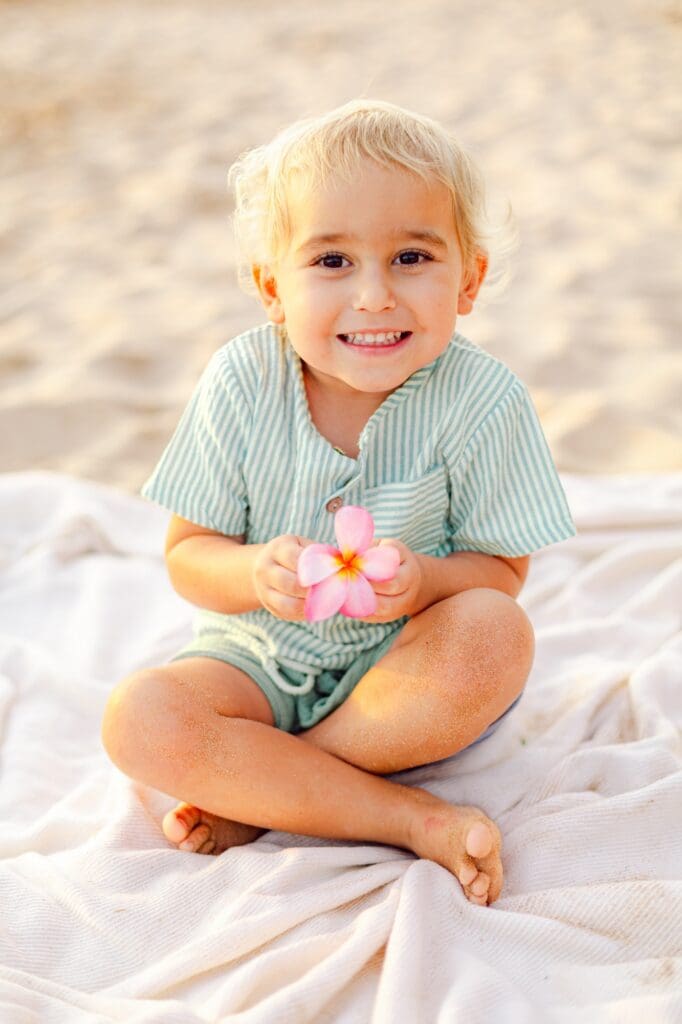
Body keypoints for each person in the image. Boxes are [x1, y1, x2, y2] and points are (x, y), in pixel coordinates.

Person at [101, 99, 576, 906]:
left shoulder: (483, 398)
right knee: (138, 717)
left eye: (412, 257)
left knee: (497, 635)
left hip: (404, 672)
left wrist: (425, 582)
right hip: (255, 664)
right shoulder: (242, 381)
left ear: (469, 279)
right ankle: (403, 816)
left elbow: (501, 572)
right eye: (330, 263)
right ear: (271, 288)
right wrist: (254, 572)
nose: (373, 296)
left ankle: (274, 788)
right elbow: (188, 556)